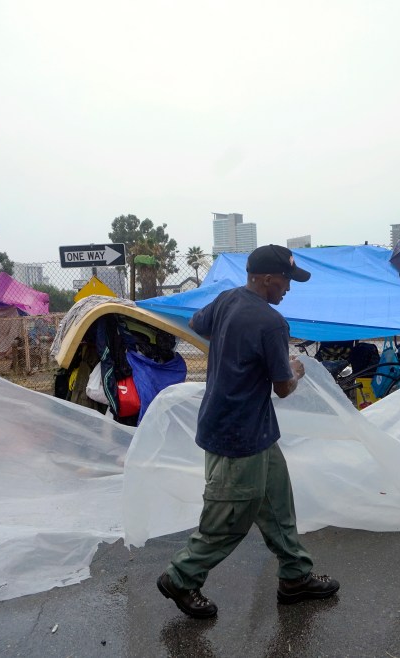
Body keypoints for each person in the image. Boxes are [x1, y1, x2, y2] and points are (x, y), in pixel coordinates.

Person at [157, 244, 339, 619]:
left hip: (252, 430)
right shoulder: (272, 323)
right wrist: (296, 368)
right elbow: (283, 387)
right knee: (228, 519)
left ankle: (295, 577)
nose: (288, 287)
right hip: (236, 434)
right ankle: (181, 576)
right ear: (267, 278)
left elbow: (196, 324)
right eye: (286, 280)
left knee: (278, 506)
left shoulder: (227, 300)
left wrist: (232, 354)